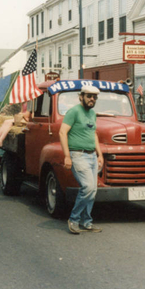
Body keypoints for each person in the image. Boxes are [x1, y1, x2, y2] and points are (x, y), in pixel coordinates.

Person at [59, 85, 104, 234]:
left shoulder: (92, 113)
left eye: (94, 97)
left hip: (91, 155)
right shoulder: (73, 112)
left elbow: (94, 134)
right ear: (81, 97)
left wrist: (100, 154)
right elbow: (62, 133)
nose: (92, 99)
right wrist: (67, 156)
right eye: (89, 96)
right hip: (78, 155)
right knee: (88, 188)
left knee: (93, 190)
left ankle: (87, 222)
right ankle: (73, 219)